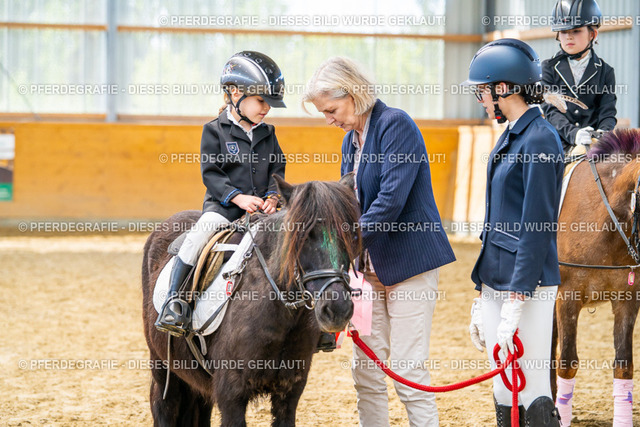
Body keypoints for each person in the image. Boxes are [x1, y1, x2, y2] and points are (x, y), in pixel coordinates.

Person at [303, 57, 455, 427]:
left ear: (353, 94)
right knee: (366, 371)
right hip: (367, 273)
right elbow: (349, 202)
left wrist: (342, 242)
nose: (329, 120)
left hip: (408, 266)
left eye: (331, 110)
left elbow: (390, 202)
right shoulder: (349, 142)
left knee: (408, 369)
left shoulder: (395, 124)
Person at [462, 39, 564, 426]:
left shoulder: (540, 138)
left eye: (482, 91)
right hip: (496, 279)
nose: (481, 100)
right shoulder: (511, 135)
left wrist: (518, 297)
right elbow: (496, 221)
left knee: (533, 386)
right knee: (504, 388)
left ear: (503, 88)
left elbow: (537, 226)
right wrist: (482, 294)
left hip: (528, 284)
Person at [155, 51, 286, 337]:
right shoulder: (214, 131)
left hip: (263, 211)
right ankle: (174, 302)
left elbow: (278, 168)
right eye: (261, 101)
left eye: (269, 103)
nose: (266, 108)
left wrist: (273, 198)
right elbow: (211, 174)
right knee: (198, 235)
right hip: (224, 209)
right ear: (236, 93)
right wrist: (238, 198)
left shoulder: (268, 133)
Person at [542, 0, 616, 154]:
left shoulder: (606, 72)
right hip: (557, 146)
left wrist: (603, 134)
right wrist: (574, 134)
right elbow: (551, 111)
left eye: (576, 31)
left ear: (593, 34)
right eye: (563, 32)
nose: (569, 37)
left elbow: (607, 112)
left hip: (593, 145)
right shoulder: (548, 68)